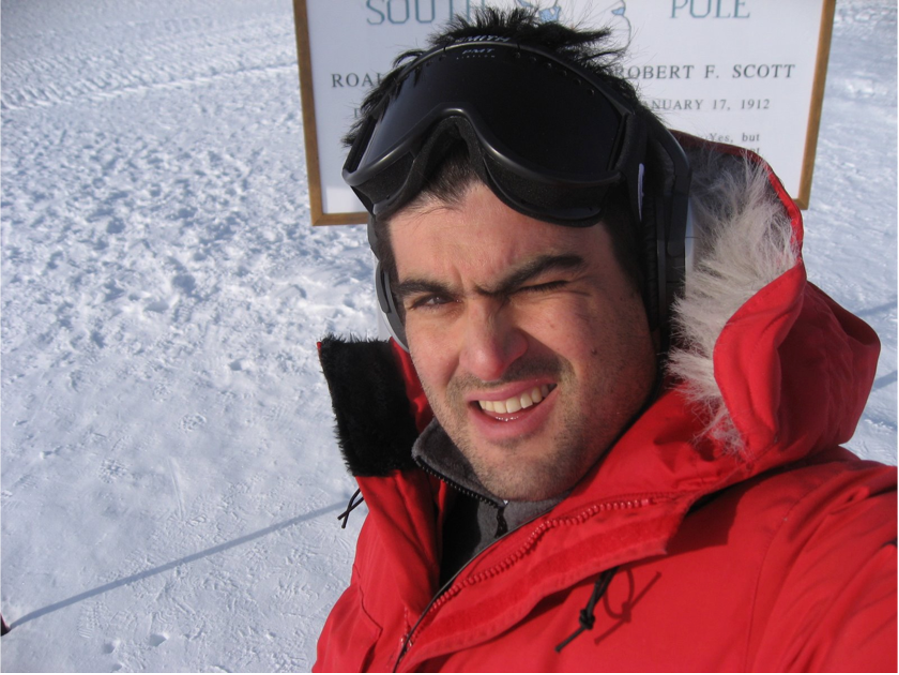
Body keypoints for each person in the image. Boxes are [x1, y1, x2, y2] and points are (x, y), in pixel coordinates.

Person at [314, 8, 897, 672]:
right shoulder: (417, 491)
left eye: (538, 285)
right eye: (434, 300)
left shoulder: (810, 562)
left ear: (657, 276)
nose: (484, 356)